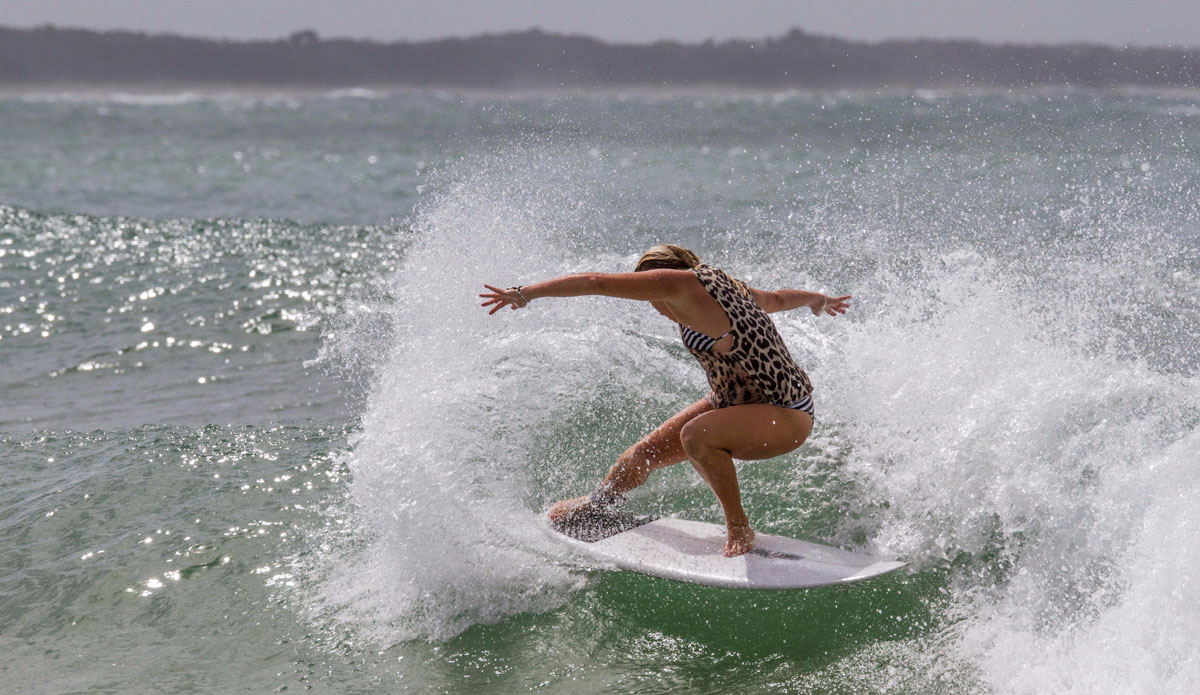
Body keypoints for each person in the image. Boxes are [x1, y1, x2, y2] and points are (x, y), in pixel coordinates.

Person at [480, 244, 850, 556]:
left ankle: (739, 529)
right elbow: (780, 299)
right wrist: (819, 301)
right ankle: (597, 506)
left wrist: (525, 292)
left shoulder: (681, 283)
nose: (650, 302)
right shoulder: (730, 288)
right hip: (736, 402)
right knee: (642, 455)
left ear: (659, 278)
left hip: (785, 412)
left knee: (696, 436)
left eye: (648, 289)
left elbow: (595, 282)